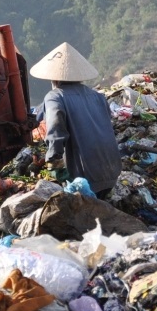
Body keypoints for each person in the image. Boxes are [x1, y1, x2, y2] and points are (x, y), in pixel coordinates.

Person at [30, 42, 121, 198]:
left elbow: (56, 132)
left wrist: (53, 161)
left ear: (54, 78)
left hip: (86, 177)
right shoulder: (98, 96)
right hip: (112, 171)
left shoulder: (55, 96)